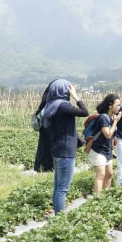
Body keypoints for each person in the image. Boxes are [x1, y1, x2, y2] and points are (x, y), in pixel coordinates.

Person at [42, 79, 89, 213]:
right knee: (62, 188)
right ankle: (60, 219)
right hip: (65, 150)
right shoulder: (63, 106)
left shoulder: (51, 105)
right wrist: (76, 96)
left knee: (58, 187)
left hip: (57, 148)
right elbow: (85, 112)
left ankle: (58, 216)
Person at [89, 94, 121, 193]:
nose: (119, 108)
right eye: (117, 105)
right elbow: (107, 134)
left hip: (107, 150)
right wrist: (116, 122)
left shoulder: (112, 117)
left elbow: (112, 136)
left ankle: (105, 194)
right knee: (101, 174)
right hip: (98, 150)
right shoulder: (104, 117)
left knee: (110, 173)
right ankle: (97, 197)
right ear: (110, 106)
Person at [31, 80, 56, 174]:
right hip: (49, 129)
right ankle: (48, 169)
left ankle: (40, 169)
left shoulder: (45, 101)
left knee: (43, 149)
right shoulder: (53, 103)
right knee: (49, 150)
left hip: (44, 130)